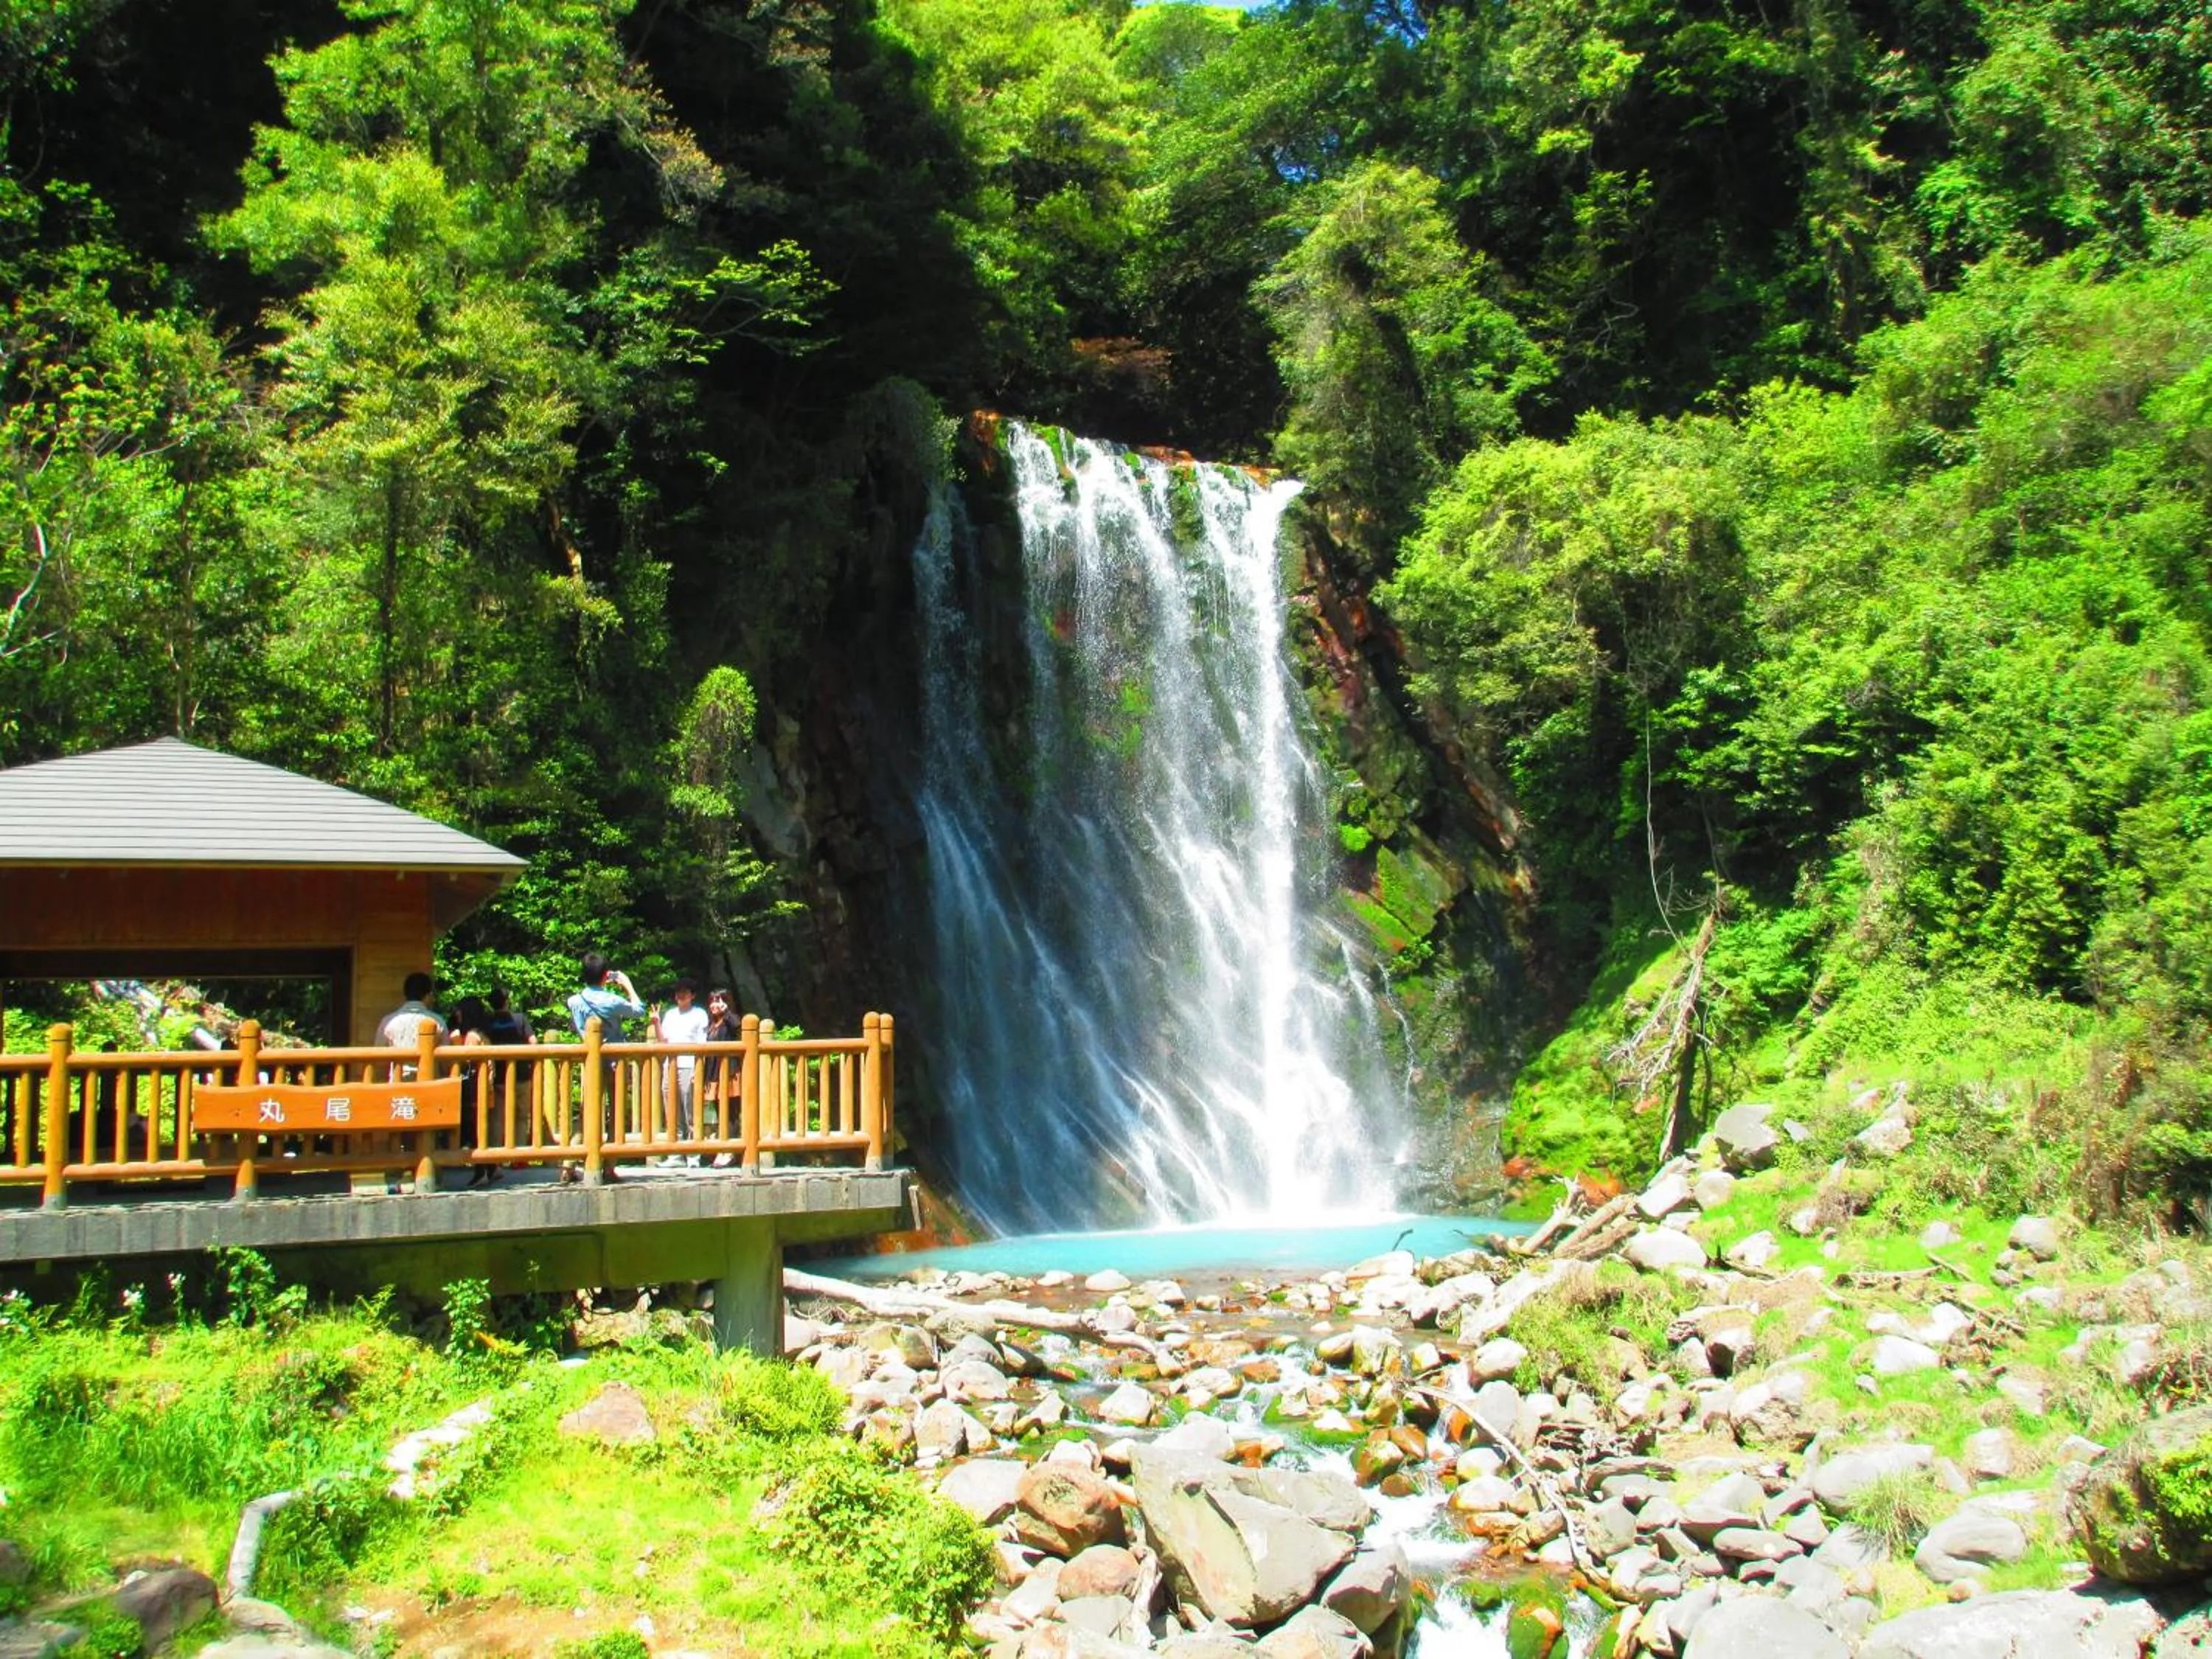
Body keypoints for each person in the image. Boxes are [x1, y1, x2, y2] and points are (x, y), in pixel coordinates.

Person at [650, 978, 710, 1166]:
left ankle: (693, 1154)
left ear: (692, 995)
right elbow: (663, 1041)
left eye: (685, 992)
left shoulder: (699, 1014)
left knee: (689, 1110)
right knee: (672, 1110)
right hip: (670, 1064)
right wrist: (656, 1022)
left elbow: (703, 1043)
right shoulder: (670, 1014)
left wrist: (699, 1068)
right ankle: (675, 1154)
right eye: (678, 992)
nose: (680, 995)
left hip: (689, 1063)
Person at [701, 988, 742, 1158]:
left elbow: (738, 1026)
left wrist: (726, 1011)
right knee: (718, 1111)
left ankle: (730, 1150)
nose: (714, 1005)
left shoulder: (729, 1020)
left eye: (718, 1001)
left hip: (729, 1072)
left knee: (731, 1112)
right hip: (713, 1072)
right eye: (712, 1001)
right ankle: (722, 1147)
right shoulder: (711, 1024)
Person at [379, 973, 446, 1047]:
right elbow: (447, 1054)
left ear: (405, 993)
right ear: (428, 995)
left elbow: (378, 1053)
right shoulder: (438, 1022)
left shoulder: (388, 1022)